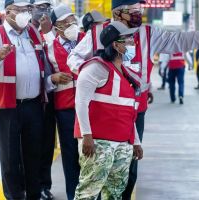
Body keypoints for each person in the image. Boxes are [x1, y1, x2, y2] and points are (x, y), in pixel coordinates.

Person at [67, 0, 199, 198]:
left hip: (132, 111)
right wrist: (97, 74)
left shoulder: (148, 34)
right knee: (93, 173)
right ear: (117, 13)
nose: (137, 14)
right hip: (99, 115)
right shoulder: (98, 34)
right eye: (133, 11)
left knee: (126, 172)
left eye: (139, 10)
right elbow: (74, 59)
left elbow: (180, 40)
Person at [0, 0, 46, 199]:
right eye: (21, 10)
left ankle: (34, 195)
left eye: (27, 9)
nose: (26, 13)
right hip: (8, 107)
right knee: (10, 158)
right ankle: (14, 197)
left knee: (34, 155)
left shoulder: (33, 33)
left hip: (33, 105)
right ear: (8, 12)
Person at [74, 21, 143, 200]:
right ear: (116, 44)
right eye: (128, 40)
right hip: (98, 142)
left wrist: (135, 141)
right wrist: (86, 135)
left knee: (115, 192)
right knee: (88, 191)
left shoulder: (126, 73)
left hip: (122, 142)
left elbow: (128, 111)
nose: (132, 43)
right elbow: (80, 102)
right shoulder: (95, 68)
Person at [41, 3, 85, 200]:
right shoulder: (48, 46)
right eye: (65, 22)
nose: (71, 24)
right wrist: (53, 78)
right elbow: (41, 77)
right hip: (65, 108)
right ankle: (73, 195)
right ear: (56, 27)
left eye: (72, 20)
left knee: (91, 153)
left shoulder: (87, 40)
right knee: (70, 154)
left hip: (89, 106)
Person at [31, 1, 56, 199]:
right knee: (32, 145)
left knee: (47, 143)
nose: (44, 11)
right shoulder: (25, 32)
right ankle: (32, 186)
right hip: (32, 98)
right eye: (40, 6)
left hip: (51, 95)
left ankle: (43, 185)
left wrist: (49, 33)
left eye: (47, 7)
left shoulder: (53, 31)